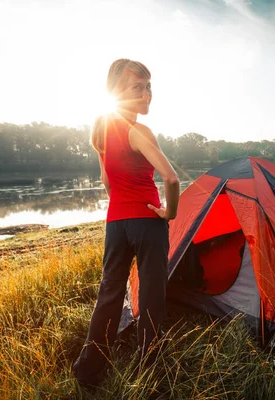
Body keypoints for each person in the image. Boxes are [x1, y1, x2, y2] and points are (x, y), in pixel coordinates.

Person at [72, 59, 180, 387]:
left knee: (110, 291)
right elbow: (172, 179)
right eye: (138, 87)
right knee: (151, 292)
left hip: (115, 223)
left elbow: (106, 181)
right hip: (147, 221)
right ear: (118, 91)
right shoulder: (139, 131)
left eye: (149, 87)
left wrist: (120, 203)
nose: (147, 94)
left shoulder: (102, 133)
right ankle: (149, 364)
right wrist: (169, 213)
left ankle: (89, 368)